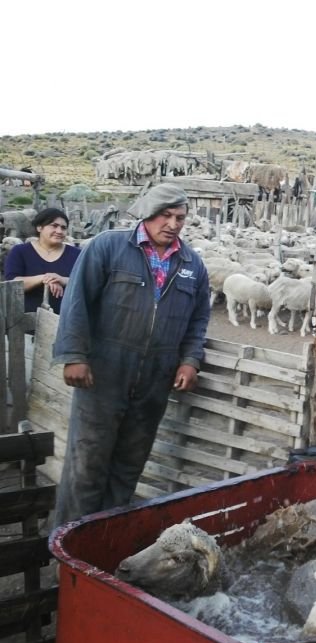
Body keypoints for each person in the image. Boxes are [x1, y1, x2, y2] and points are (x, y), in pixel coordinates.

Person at [52, 183, 211, 528]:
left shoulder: (192, 265)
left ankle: (106, 543)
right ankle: (68, 549)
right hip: (104, 372)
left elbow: (199, 320)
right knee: (87, 464)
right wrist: (74, 355)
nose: (172, 224)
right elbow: (77, 301)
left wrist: (190, 360)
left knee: (128, 466)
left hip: (156, 378)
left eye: (179, 217)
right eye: (165, 215)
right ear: (148, 214)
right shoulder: (108, 247)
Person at [4, 208, 81, 314]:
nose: (59, 231)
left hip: (67, 319)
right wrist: (44, 278)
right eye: (54, 226)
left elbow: (87, 281)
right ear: (39, 227)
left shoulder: (76, 254)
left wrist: (63, 280)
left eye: (63, 228)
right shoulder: (20, 252)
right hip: (25, 320)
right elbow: (12, 284)